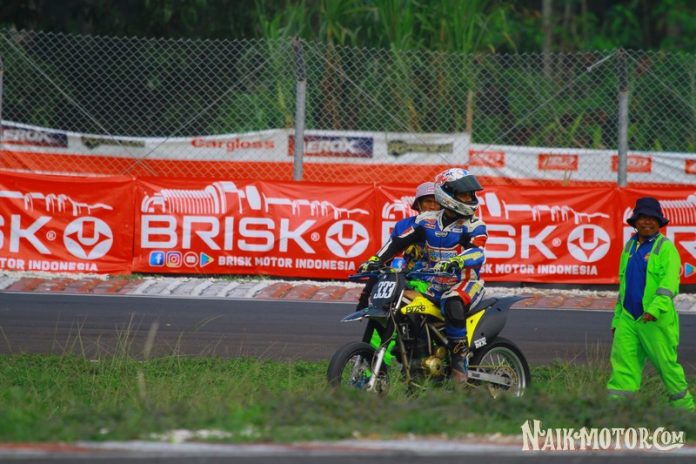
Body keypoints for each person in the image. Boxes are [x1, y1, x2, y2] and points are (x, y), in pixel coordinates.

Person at [359, 168, 487, 382]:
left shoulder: (474, 225)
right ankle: (415, 364)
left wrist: (457, 260)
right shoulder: (425, 221)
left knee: (453, 302)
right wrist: (375, 260)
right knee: (401, 305)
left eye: (471, 195)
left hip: (464, 282)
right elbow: (396, 243)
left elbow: (478, 252)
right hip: (431, 284)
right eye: (464, 195)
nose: (470, 199)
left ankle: (459, 361)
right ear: (447, 194)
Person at [607, 197, 695, 411]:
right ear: (635, 221)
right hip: (628, 319)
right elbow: (624, 286)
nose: (647, 222)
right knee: (623, 368)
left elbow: (668, 285)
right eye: (643, 218)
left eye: (652, 219)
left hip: (655, 320)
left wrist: (654, 310)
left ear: (659, 222)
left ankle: (686, 412)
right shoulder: (629, 246)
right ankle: (616, 413)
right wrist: (617, 319)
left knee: (667, 367)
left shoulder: (666, 249)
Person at [355, 181, 440, 310]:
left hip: (436, 280)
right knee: (380, 275)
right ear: (418, 204)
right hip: (408, 276)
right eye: (428, 201)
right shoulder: (403, 225)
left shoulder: (448, 227)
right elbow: (390, 253)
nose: (432, 207)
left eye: (437, 202)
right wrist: (367, 290)